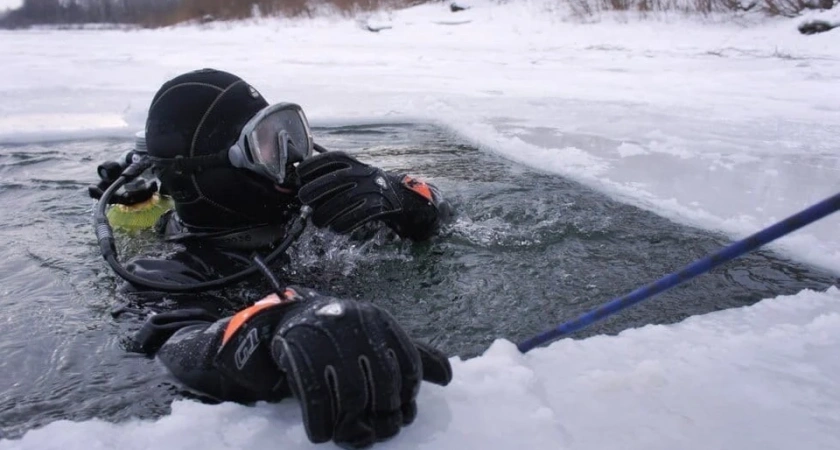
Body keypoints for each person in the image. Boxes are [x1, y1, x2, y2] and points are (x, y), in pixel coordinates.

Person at [91, 68, 453, 448]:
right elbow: (178, 348)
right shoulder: (166, 273)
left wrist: (401, 201)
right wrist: (271, 328)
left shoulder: (315, 213)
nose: (293, 158)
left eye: (290, 134)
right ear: (208, 172)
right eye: (266, 145)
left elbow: (447, 214)